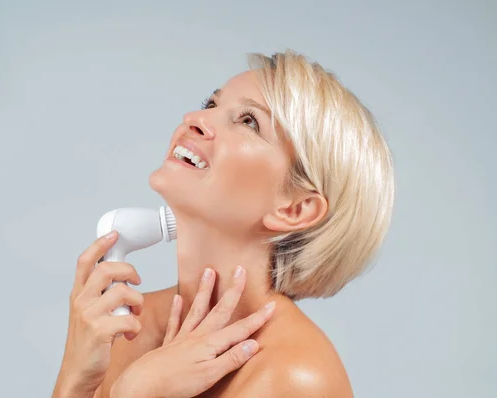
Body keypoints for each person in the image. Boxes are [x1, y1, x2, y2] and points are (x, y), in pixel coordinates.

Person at [52, 49, 395, 398]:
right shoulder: (126, 329)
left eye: (249, 121)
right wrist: (74, 377)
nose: (195, 118)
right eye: (211, 104)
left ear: (295, 209)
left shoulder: (294, 378)